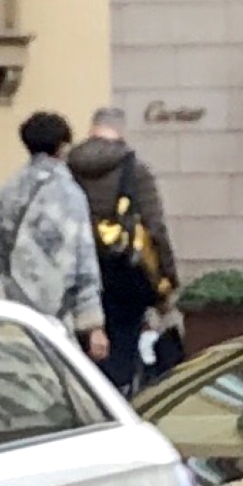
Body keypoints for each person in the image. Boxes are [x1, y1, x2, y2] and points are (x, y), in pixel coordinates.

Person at [0, 111, 108, 362]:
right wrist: (93, 326)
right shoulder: (69, 194)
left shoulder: (9, 188)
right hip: (54, 315)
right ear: (62, 146)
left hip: (12, 311)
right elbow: (83, 261)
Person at [67, 106, 179, 392]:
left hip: (75, 274)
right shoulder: (134, 169)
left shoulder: (68, 166)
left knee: (80, 359)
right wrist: (167, 281)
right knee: (121, 355)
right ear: (121, 130)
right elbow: (155, 229)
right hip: (124, 275)